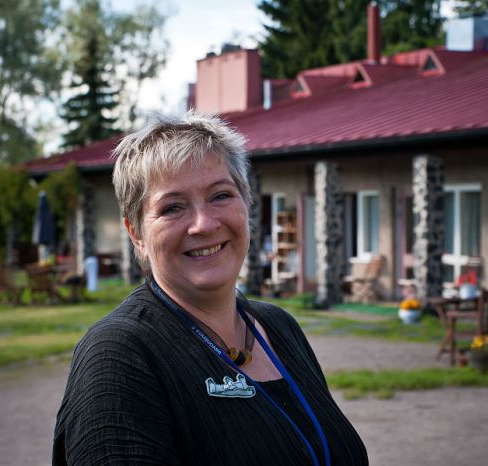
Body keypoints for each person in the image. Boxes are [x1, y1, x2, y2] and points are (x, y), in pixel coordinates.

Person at [53, 112, 368, 466]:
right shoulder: (118, 356)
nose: (203, 224)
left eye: (220, 196)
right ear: (136, 234)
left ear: (246, 203)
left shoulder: (279, 328)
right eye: (172, 207)